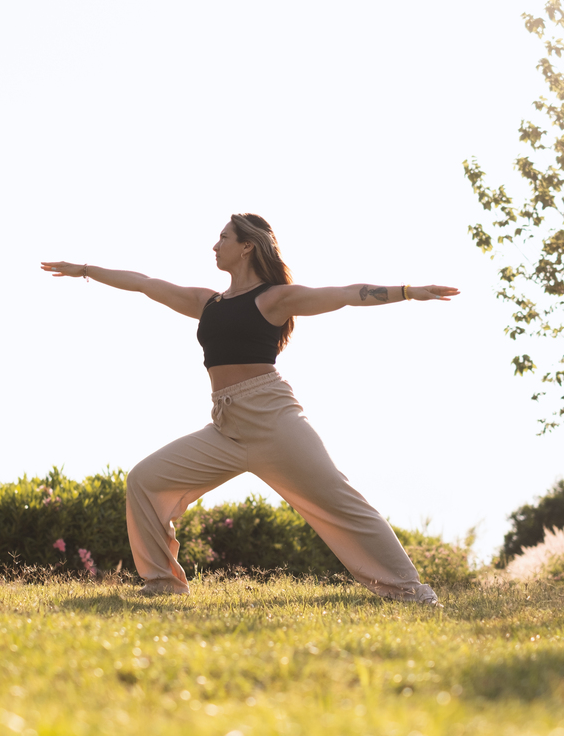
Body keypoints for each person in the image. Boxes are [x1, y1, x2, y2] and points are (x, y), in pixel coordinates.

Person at [41, 213, 459, 603]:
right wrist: (84, 271)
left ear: (246, 247)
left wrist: (407, 292)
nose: (214, 245)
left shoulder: (274, 299)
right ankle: (163, 584)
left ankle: (409, 589)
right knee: (145, 480)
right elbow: (145, 283)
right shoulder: (208, 303)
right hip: (225, 427)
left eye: (223, 237)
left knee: (338, 499)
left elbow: (344, 295)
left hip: (273, 420)